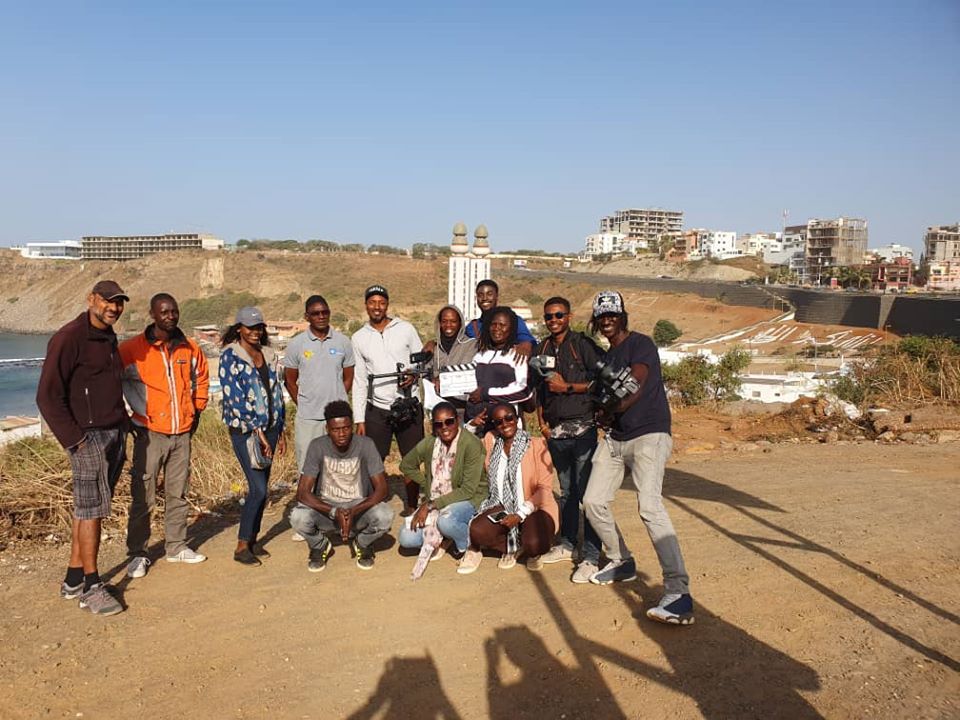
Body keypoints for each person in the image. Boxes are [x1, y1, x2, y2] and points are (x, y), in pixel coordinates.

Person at [582, 290, 694, 625]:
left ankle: (678, 592)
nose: (607, 320)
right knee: (592, 501)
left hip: (649, 433)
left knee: (649, 507)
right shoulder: (608, 356)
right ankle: (621, 560)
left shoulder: (640, 344)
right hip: (616, 438)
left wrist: (610, 405)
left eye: (612, 314)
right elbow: (609, 400)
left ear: (622, 316)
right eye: (601, 316)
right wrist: (601, 409)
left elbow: (635, 386)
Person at [37, 280, 129, 616]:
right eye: (107, 301)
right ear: (91, 299)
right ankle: (92, 587)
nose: (114, 308)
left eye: (119, 302)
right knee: (91, 511)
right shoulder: (69, 337)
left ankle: (74, 579)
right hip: (86, 437)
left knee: (89, 508)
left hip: (114, 432)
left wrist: (124, 423)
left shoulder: (107, 336)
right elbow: (47, 396)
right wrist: (75, 440)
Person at [120, 293, 210, 578]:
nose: (170, 316)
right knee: (143, 497)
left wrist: (196, 410)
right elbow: (110, 381)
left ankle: (176, 546)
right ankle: (138, 553)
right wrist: (127, 417)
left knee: (178, 492)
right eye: (164, 312)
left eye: (174, 311)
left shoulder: (189, 347)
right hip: (150, 434)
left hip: (182, 433)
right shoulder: (132, 349)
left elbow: (202, 378)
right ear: (152, 314)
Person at [534, 297, 606, 582]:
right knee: (567, 492)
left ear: (569, 316)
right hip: (557, 433)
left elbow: (602, 380)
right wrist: (542, 424)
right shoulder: (542, 348)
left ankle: (591, 555)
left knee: (588, 495)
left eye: (558, 315)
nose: (553, 320)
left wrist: (568, 387)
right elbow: (539, 389)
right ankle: (567, 544)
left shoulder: (582, 345)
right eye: (549, 316)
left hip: (584, 430)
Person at [289, 401, 395, 572]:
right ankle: (320, 545)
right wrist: (333, 511)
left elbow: (382, 489)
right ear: (327, 429)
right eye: (336, 430)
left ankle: (362, 543)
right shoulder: (317, 446)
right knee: (297, 517)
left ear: (352, 426)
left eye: (346, 428)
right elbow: (302, 493)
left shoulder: (366, 444)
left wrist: (354, 510)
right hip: (327, 509)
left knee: (385, 515)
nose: (342, 434)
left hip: (358, 507)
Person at [220, 306, 287, 566]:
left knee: (263, 488)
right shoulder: (230, 356)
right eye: (250, 327)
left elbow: (276, 394)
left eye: (259, 327)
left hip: (271, 428)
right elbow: (234, 399)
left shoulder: (267, 354)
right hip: (246, 431)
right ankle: (241, 545)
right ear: (239, 329)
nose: (255, 332)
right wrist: (258, 431)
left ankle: (253, 540)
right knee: (257, 489)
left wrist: (280, 429)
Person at [461, 402, 559, 574]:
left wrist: (520, 514)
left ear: (517, 419)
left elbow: (544, 488)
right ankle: (511, 545)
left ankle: (529, 543)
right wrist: (472, 426)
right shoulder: (491, 442)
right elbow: (464, 445)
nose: (505, 424)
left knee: (534, 544)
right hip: (503, 505)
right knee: (477, 531)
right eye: (499, 421)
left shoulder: (537, 444)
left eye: (509, 418)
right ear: (494, 425)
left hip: (535, 507)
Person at [351, 284, 424, 511]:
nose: (377, 307)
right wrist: (359, 419)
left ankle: (412, 507)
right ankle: (376, 506)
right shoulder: (358, 337)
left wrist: (413, 374)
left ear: (387, 305)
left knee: (411, 459)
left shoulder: (406, 329)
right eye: (372, 302)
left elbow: (421, 360)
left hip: (408, 405)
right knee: (374, 461)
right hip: (377, 408)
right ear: (366, 305)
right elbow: (359, 380)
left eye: (381, 303)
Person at [398, 401, 488, 574]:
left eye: (449, 421)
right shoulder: (431, 442)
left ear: (458, 420)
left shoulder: (471, 444)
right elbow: (406, 465)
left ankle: (471, 546)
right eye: (439, 424)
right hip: (439, 499)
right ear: (434, 426)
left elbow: (468, 490)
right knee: (406, 538)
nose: (444, 427)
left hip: (470, 497)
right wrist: (428, 483)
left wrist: (430, 505)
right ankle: (447, 537)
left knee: (446, 521)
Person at [283, 295, 355, 472]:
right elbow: (289, 381)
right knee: (308, 468)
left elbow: (348, 378)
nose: (321, 316)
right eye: (315, 313)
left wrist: (338, 402)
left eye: (325, 312)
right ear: (307, 317)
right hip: (308, 419)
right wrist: (305, 404)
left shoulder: (343, 342)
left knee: (339, 468)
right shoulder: (296, 344)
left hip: (337, 419)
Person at [466, 307, 532, 434]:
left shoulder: (518, 355)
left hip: (507, 426)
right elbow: (469, 388)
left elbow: (523, 391)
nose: (497, 328)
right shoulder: (479, 356)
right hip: (479, 427)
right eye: (493, 324)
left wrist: (486, 394)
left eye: (503, 325)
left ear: (511, 329)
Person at [428, 305, 477, 420]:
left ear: (460, 323)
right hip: (438, 408)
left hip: (463, 408)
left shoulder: (472, 345)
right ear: (439, 323)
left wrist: (444, 379)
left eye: (453, 321)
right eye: (444, 321)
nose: (448, 325)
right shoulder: (433, 348)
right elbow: (425, 372)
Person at [464, 280, 536, 355]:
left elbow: (527, 340)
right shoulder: (472, 327)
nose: (484, 298)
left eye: (489, 294)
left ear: (496, 296)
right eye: (480, 295)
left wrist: (526, 345)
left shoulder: (513, 320)